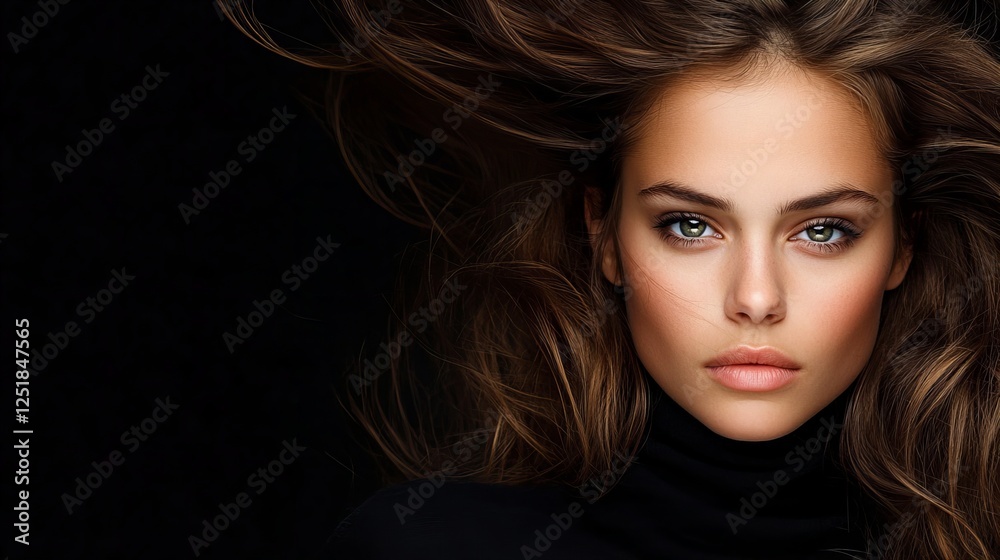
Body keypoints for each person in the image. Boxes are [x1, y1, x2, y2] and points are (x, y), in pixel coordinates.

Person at [222, 0, 1000, 558]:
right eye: (689, 226)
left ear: (902, 247)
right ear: (603, 234)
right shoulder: (427, 544)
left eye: (823, 231)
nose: (756, 299)